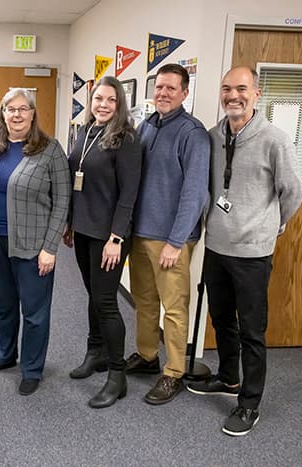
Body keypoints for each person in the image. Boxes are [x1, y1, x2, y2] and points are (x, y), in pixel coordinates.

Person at [187, 66, 302, 436]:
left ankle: (249, 403)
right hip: (217, 247)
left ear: (257, 93)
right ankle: (228, 377)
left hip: (253, 253)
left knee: (253, 330)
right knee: (222, 320)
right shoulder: (211, 136)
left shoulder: (275, 140)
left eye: (241, 89)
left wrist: (271, 227)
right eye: (226, 89)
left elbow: (293, 194)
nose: (232, 96)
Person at [0, 88, 71, 396]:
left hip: (33, 247)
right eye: (10, 109)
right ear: (2, 114)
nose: (16, 115)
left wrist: (50, 248)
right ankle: (5, 355)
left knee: (34, 312)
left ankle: (32, 368)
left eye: (22, 109)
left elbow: (62, 201)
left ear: (33, 114)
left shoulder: (50, 150)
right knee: (3, 306)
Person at [127, 63, 210, 405]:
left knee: (173, 308)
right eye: (159, 87)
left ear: (185, 93)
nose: (162, 93)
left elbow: (195, 192)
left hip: (170, 239)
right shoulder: (147, 125)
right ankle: (148, 357)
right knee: (144, 301)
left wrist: (176, 242)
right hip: (140, 233)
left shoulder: (193, 133)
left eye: (170, 89)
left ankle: (173, 372)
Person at [64, 76, 142, 408]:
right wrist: (70, 222)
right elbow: (75, 179)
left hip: (108, 235)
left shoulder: (126, 139)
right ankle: (94, 352)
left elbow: (129, 194)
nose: (103, 105)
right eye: (98, 98)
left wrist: (116, 237)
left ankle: (116, 374)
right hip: (83, 230)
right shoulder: (85, 131)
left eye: (111, 100)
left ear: (119, 103)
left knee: (107, 301)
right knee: (94, 296)